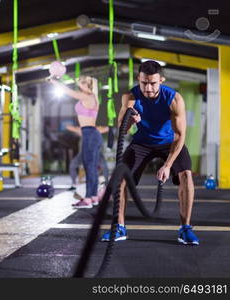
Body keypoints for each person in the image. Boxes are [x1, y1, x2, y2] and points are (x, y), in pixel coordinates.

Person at [100, 60, 199, 245]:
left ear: (161, 80)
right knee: (120, 177)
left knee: (186, 175)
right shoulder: (130, 97)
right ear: (139, 78)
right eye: (144, 82)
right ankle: (119, 227)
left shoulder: (174, 99)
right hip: (142, 142)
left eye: (153, 83)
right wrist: (132, 120)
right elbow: (123, 129)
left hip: (169, 142)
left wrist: (167, 165)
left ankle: (185, 228)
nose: (148, 88)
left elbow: (180, 135)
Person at [49, 75, 102, 208]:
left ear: (89, 85)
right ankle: (94, 197)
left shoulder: (87, 97)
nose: (80, 84)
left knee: (90, 168)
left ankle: (88, 198)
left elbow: (68, 92)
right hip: (90, 133)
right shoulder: (91, 97)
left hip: (90, 134)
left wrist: (54, 81)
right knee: (92, 168)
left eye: (83, 82)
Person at [66, 125, 109, 191]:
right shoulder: (83, 130)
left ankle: (106, 184)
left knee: (104, 166)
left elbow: (107, 128)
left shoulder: (96, 130)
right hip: (83, 153)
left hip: (96, 153)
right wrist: (79, 129)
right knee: (72, 165)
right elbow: (68, 127)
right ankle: (74, 183)